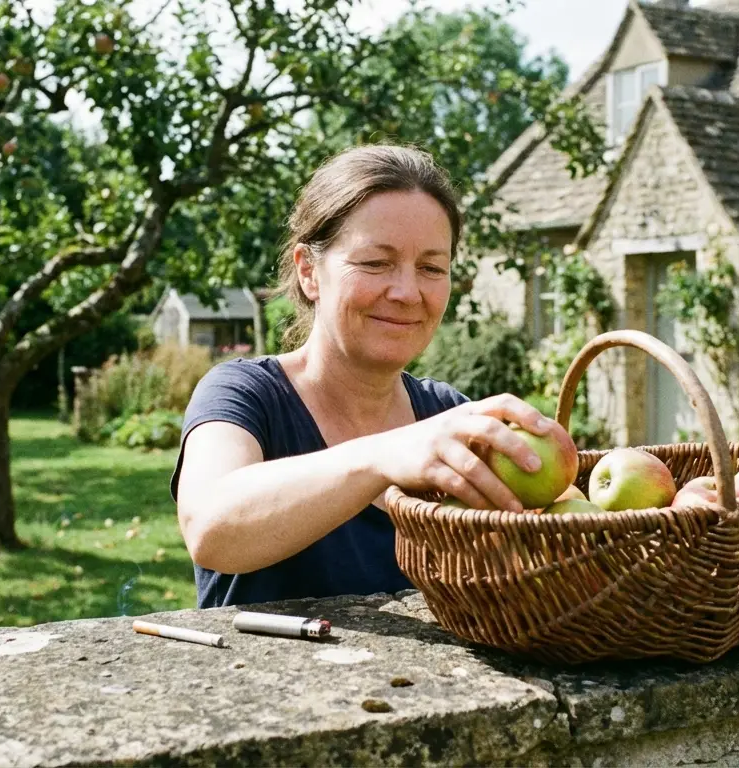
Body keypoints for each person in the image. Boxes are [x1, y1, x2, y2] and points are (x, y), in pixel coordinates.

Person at [172, 144, 555, 608]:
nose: (407, 292)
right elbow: (212, 528)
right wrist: (382, 457)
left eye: (432, 268)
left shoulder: (446, 415)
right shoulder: (245, 394)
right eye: (375, 263)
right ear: (309, 271)